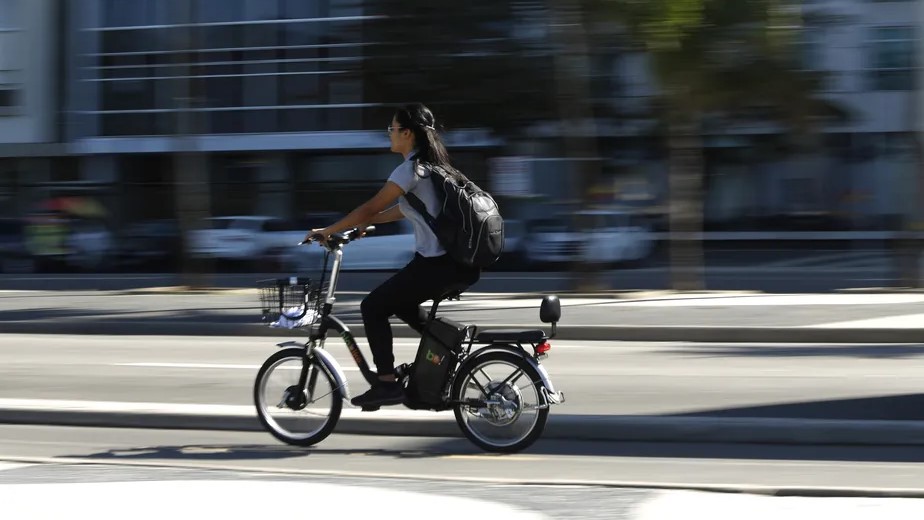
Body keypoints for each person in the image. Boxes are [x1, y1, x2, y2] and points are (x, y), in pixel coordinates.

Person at [304, 103, 480, 408]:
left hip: (436, 264)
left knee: (372, 306)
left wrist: (330, 230)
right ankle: (448, 347)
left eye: (392, 128)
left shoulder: (410, 169)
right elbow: (402, 211)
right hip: (453, 264)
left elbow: (370, 207)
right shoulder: (434, 167)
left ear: (407, 133)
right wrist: (360, 226)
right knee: (401, 304)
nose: (389, 133)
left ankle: (386, 384)